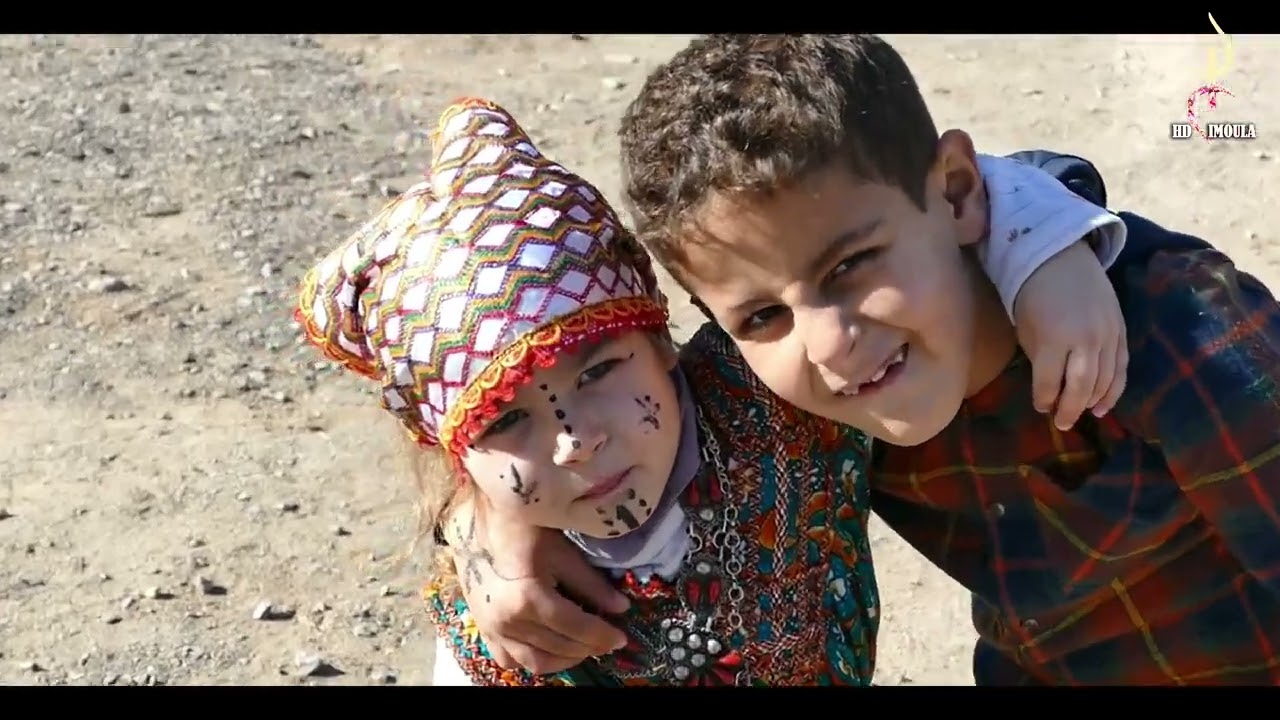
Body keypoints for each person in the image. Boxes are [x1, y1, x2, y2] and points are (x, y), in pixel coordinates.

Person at [445, 34, 1280, 686]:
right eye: (763, 314)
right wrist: (499, 523)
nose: (830, 342)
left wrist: (1055, 235)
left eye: (850, 267)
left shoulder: (1177, 340)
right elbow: (554, 383)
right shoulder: (777, 390)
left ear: (958, 195)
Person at [295, 94, 1128, 686]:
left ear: (663, 340)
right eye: (505, 416)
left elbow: (925, 198)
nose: (576, 438)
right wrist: (491, 520)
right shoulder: (505, 628)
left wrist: (1048, 256)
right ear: (456, 451)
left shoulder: (772, 396)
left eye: (599, 371)